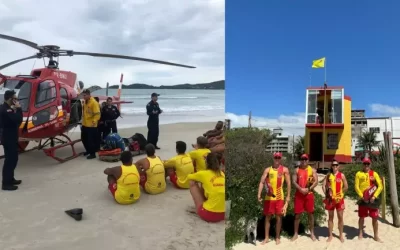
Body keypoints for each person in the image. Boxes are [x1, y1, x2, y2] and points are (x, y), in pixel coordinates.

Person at [257, 152, 291, 245]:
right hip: (269, 198)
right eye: (275, 157)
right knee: (267, 218)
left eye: (278, 157)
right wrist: (259, 194)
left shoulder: (285, 170)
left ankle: (277, 237)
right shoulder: (267, 170)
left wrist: (288, 196)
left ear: (281, 159)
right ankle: (267, 237)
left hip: (279, 198)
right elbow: (261, 182)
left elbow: (288, 184)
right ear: (273, 158)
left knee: (278, 218)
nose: (277, 159)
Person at [187, 152, 225, 222]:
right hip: (224, 214)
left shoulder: (203, 174)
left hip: (209, 214)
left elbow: (189, 177)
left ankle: (199, 208)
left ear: (206, 163)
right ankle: (205, 203)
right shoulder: (222, 174)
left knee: (192, 182)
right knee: (207, 185)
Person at [355, 157, 383, 242]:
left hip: (372, 200)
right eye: (365, 163)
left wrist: (374, 196)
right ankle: (360, 233)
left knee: (375, 218)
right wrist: (362, 196)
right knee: (361, 217)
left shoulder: (374, 174)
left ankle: (376, 236)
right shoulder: (358, 174)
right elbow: (356, 187)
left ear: (370, 164)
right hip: (363, 199)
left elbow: (380, 186)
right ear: (362, 164)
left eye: (368, 164)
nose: (366, 165)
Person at [291, 154, 318, 241]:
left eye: (306, 159)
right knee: (297, 215)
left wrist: (308, 188)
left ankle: (312, 233)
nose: (304, 160)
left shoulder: (312, 170)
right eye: (302, 159)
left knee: (310, 214)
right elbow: (294, 181)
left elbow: (316, 181)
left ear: (308, 160)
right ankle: (295, 234)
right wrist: (300, 189)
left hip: (309, 194)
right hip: (299, 195)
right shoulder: (297, 170)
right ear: (300, 160)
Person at [0, 90, 23, 191]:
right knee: (10, 160)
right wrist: (19, 109)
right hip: (8, 138)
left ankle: (10, 178)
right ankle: (6, 183)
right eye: (15, 99)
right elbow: (18, 119)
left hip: (10, 137)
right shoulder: (7, 110)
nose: (16, 100)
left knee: (14, 158)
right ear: (10, 99)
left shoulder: (6, 108)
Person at [322, 159, 348, 242]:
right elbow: (323, 186)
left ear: (338, 166)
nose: (335, 166)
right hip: (330, 200)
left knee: (340, 217)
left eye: (336, 165)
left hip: (339, 199)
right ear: (331, 166)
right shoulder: (328, 175)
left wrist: (341, 194)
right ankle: (330, 235)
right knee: (330, 217)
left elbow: (346, 187)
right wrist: (326, 195)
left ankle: (340, 235)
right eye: (333, 165)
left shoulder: (342, 175)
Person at [81, 89, 101, 159]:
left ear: (89, 95)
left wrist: (94, 121)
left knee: (90, 140)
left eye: (85, 95)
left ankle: (93, 154)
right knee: (83, 139)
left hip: (91, 125)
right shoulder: (85, 102)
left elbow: (97, 114)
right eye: (83, 95)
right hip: (85, 124)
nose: (83, 97)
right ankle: (88, 150)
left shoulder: (94, 103)